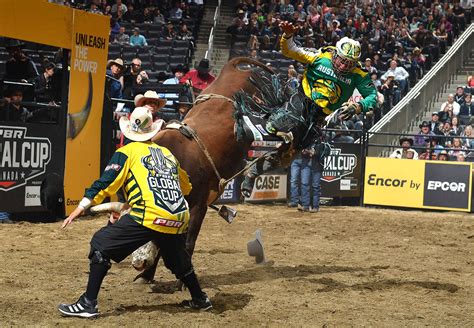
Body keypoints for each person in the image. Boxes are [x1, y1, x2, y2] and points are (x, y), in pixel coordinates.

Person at [58, 106, 212, 318]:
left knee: (100, 244)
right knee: (177, 258)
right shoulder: (167, 154)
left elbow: (106, 182)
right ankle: (200, 298)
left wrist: (81, 207)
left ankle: (88, 303)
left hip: (149, 214)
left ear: (129, 131)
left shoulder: (126, 153)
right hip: (177, 216)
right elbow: (186, 186)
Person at [241, 22, 378, 197]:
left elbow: (372, 96)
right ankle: (258, 125)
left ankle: (252, 173)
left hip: (319, 117)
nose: (343, 66)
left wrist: (358, 106)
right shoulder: (319, 56)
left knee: (287, 157)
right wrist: (288, 35)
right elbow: (290, 50)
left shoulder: (359, 75)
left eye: (349, 64)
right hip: (301, 99)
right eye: (342, 61)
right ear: (335, 53)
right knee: (282, 121)